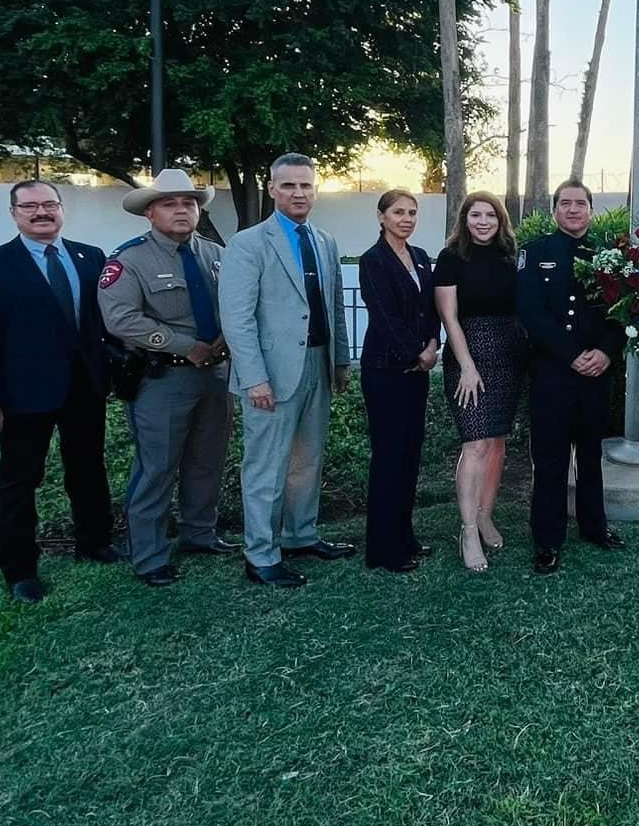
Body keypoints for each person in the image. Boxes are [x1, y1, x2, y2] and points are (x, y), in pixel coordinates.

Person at [0, 180, 117, 604]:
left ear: (62, 209)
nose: (41, 212)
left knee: (88, 471)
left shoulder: (90, 257)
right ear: (14, 214)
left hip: (85, 389)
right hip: (22, 395)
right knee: (19, 483)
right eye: (30, 206)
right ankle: (20, 570)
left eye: (49, 204)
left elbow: (100, 326)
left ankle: (95, 543)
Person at [218, 153, 357, 589]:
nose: (299, 193)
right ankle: (260, 554)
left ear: (315, 190)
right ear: (273, 189)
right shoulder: (249, 243)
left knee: (307, 460)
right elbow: (237, 318)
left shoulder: (325, 241)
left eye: (306, 186)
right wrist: (254, 377)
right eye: (289, 186)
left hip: (316, 362)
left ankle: (301, 534)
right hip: (271, 374)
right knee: (265, 466)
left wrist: (340, 361)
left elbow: (334, 305)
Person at [98, 168, 234, 588]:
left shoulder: (216, 254)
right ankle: (150, 554)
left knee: (206, 461)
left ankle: (200, 534)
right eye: (170, 203)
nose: (182, 210)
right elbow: (120, 319)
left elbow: (237, 304)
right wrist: (181, 345)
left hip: (215, 374)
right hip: (163, 379)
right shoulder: (129, 260)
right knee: (157, 468)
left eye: (189, 203)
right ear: (150, 213)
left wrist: (223, 342)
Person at [517, 179, 628, 575]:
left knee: (591, 455)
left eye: (581, 203)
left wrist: (605, 352)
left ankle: (594, 527)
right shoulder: (534, 253)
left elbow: (622, 314)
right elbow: (531, 313)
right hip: (552, 373)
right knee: (550, 460)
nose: (573, 210)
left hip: (596, 373)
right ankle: (547, 541)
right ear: (555, 210)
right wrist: (572, 355)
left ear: (591, 210)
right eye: (565, 203)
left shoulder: (612, 255)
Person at [433, 191, 522, 574]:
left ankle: (486, 516)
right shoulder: (451, 258)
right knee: (476, 443)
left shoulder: (510, 257)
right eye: (475, 215)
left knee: (498, 442)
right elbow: (449, 318)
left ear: (500, 220)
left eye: (490, 215)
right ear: (464, 219)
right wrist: (467, 366)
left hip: (508, 352)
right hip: (468, 351)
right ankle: (468, 530)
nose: (483, 221)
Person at [358, 189, 440, 574]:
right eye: (397, 212)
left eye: (411, 212)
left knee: (409, 456)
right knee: (389, 458)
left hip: (417, 373)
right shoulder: (372, 261)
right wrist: (416, 353)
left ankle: (405, 536)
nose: (406, 218)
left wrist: (433, 343)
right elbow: (385, 316)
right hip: (387, 372)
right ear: (381, 216)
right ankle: (383, 549)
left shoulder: (421, 258)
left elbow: (431, 309)